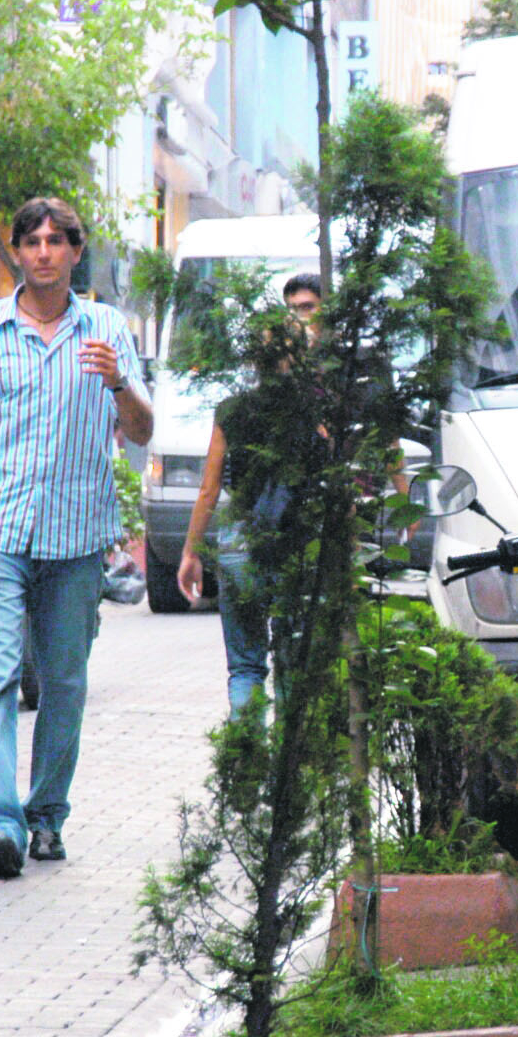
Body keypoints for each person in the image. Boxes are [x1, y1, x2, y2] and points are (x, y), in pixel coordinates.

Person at [0, 197, 154, 878]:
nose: (42, 252)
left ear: (75, 251)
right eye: (30, 240)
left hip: (77, 535)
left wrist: (118, 381)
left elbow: (143, 431)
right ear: (15, 252)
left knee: (64, 681)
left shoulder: (108, 329)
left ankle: (46, 815)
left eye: (56, 240)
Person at [178, 274, 324, 713]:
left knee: (245, 667)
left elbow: (208, 490)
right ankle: (285, 773)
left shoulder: (232, 410)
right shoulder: (314, 411)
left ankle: (244, 764)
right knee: (294, 667)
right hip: (295, 543)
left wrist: (191, 552)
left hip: (240, 541)